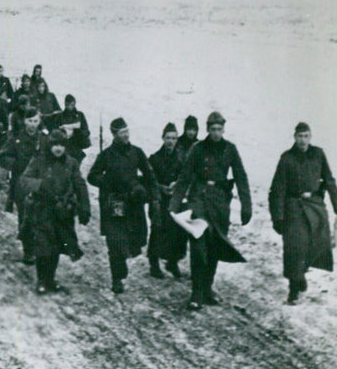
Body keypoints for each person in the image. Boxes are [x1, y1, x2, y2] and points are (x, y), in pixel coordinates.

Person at [169, 111, 252, 310]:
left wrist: (246, 206)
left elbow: (241, 176)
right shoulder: (198, 149)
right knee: (199, 248)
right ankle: (196, 292)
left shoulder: (230, 149)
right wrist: (174, 204)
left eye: (219, 129)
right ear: (207, 129)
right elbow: (185, 177)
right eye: (213, 129)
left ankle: (207, 287)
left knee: (215, 247)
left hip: (220, 204)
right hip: (199, 200)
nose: (216, 133)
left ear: (223, 129)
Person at [268, 122, 337, 305]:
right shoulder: (286, 158)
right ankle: (293, 290)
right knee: (295, 247)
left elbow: (329, 180)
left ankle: (301, 273)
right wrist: (277, 217)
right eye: (300, 136)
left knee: (317, 244)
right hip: (293, 207)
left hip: (315, 205)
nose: (303, 140)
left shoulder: (318, 154)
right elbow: (277, 190)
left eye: (306, 136)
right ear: (294, 137)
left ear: (310, 137)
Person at [87, 118, 160, 294]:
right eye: (122, 132)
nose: (126, 135)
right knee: (115, 240)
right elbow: (92, 176)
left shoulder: (137, 152)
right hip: (115, 202)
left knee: (135, 238)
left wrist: (154, 197)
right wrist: (107, 182)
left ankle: (123, 261)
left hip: (133, 203)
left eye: (127, 131)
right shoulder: (106, 155)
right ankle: (117, 278)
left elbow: (150, 176)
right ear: (114, 135)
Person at [19, 129, 90, 294]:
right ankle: (41, 280)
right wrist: (40, 185)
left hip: (63, 212)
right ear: (50, 145)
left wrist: (84, 207)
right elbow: (24, 180)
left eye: (61, 145)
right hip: (42, 211)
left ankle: (50, 279)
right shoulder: (39, 161)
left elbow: (79, 184)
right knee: (43, 247)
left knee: (57, 247)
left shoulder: (71, 163)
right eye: (55, 145)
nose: (58, 148)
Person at [0, 107, 50, 263]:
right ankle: (28, 250)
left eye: (35, 121)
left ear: (39, 121)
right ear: (24, 121)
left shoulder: (44, 139)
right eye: (29, 121)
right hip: (21, 184)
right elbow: (2, 156)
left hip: (40, 184)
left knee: (40, 217)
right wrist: (15, 165)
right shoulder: (16, 137)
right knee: (26, 217)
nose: (32, 124)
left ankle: (38, 247)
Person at [147, 123, 188, 279]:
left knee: (177, 232)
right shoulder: (155, 158)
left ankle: (172, 262)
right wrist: (161, 187)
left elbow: (187, 177)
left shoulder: (182, 158)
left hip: (175, 200)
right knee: (157, 230)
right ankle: (154, 263)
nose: (171, 141)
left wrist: (177, 185)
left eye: (174, 138)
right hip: (158, 200)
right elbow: (148, 180)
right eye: (168, 138)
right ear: (163, 138)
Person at [53, 94, 91, 165]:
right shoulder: (60, 116)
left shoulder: (80, 115)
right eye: (68, 104)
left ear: (74, 104)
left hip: (77, 146)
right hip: (65, 147)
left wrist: (76, 132)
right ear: (65, 104)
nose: (70, 107)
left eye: (72, 104)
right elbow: (55, 132)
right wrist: (63, 133)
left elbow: (86, 131)